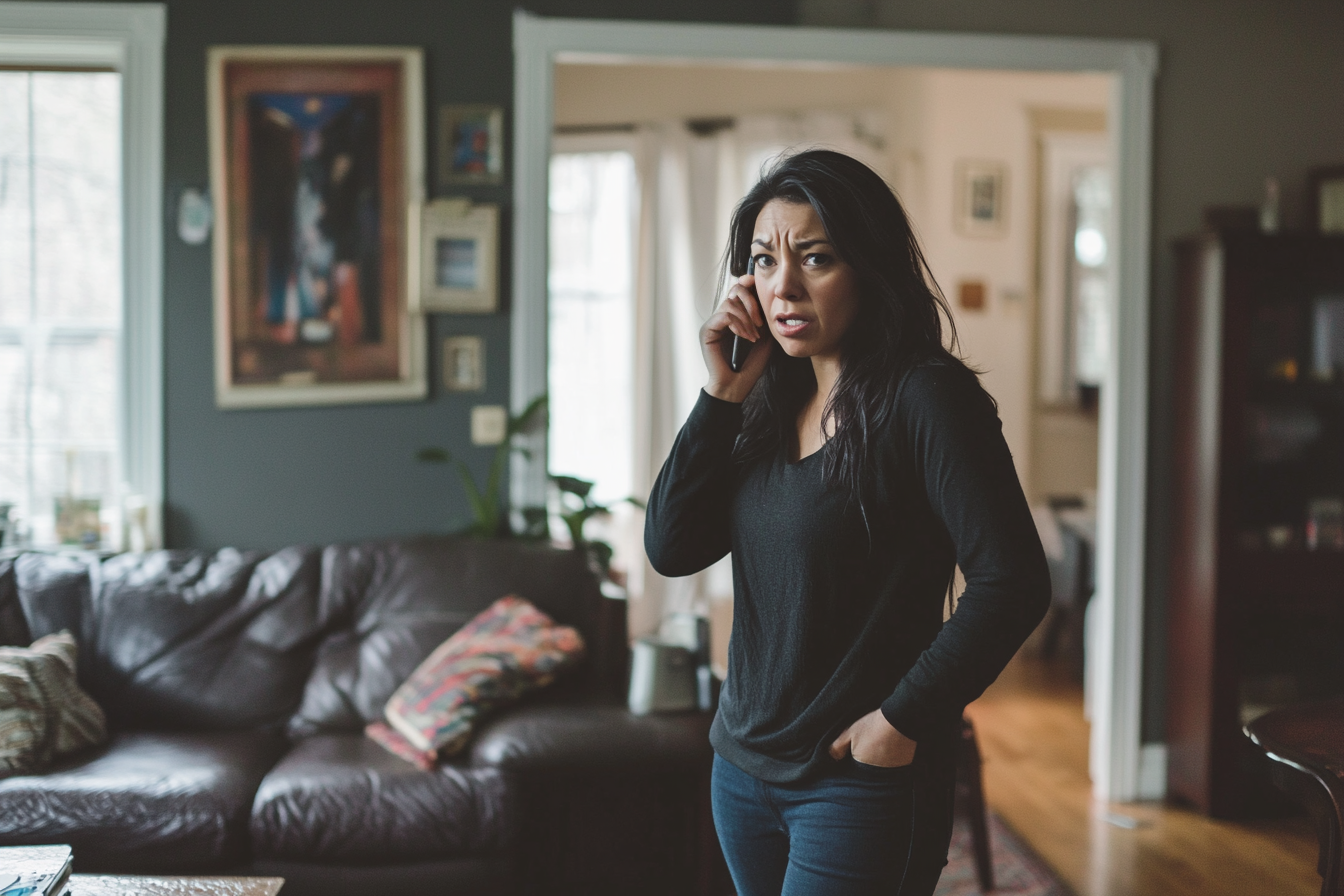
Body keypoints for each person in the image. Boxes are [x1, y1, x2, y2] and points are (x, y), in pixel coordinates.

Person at [643, 149, 1051, 896]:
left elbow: (1014, 580)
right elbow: (671, 548)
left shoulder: (927, 399)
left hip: (854, 783)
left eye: (816, 258)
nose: (783, 287)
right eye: (764, 262)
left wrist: (900, 721)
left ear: (868, 267)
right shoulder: (764, 399)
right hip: (740, 770)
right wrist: (720, 395)